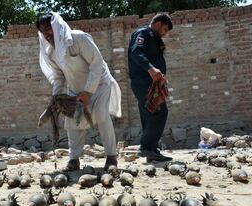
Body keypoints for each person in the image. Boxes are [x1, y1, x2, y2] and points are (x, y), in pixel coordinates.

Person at [36, 12, 122, 171]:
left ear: (57, 26)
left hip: (100, 84)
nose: (47, 34)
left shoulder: (78, 38)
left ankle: (111, 157)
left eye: (49, 29)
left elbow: (97, 63)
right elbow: (58, 77)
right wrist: (55, 99)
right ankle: (74, 160)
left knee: (102, 116)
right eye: (43, 31)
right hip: (75, 91)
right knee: (72, 124)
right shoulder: (51, 52)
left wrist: (88, 92)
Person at [128, 13, 173, 162]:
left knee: (149, 114)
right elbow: (136, 52)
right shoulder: (143, 34)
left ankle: (151, 151)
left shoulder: (155, 39)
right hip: (143, 82)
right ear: (158, 23)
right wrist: (151, 69)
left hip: (152, 83)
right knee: (160, 112)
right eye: (164, 29)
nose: (164, 33)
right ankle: (146, 147)